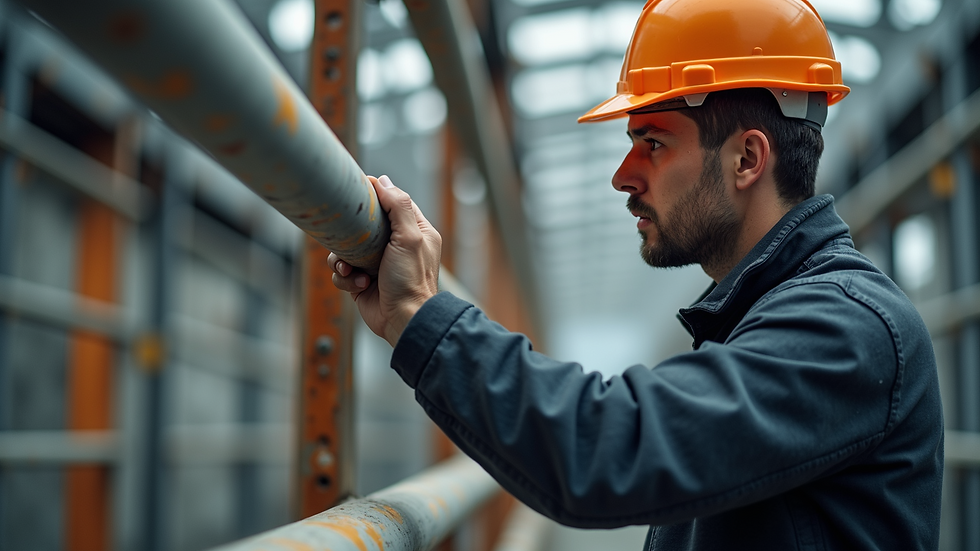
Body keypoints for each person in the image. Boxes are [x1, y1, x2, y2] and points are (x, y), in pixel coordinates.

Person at [330, 0, 944, 548]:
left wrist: (423, 315)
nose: (623, 175)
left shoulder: (846, 327)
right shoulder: (767, 316)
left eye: (652, 142)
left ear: (748, 159)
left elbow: (605, 448)